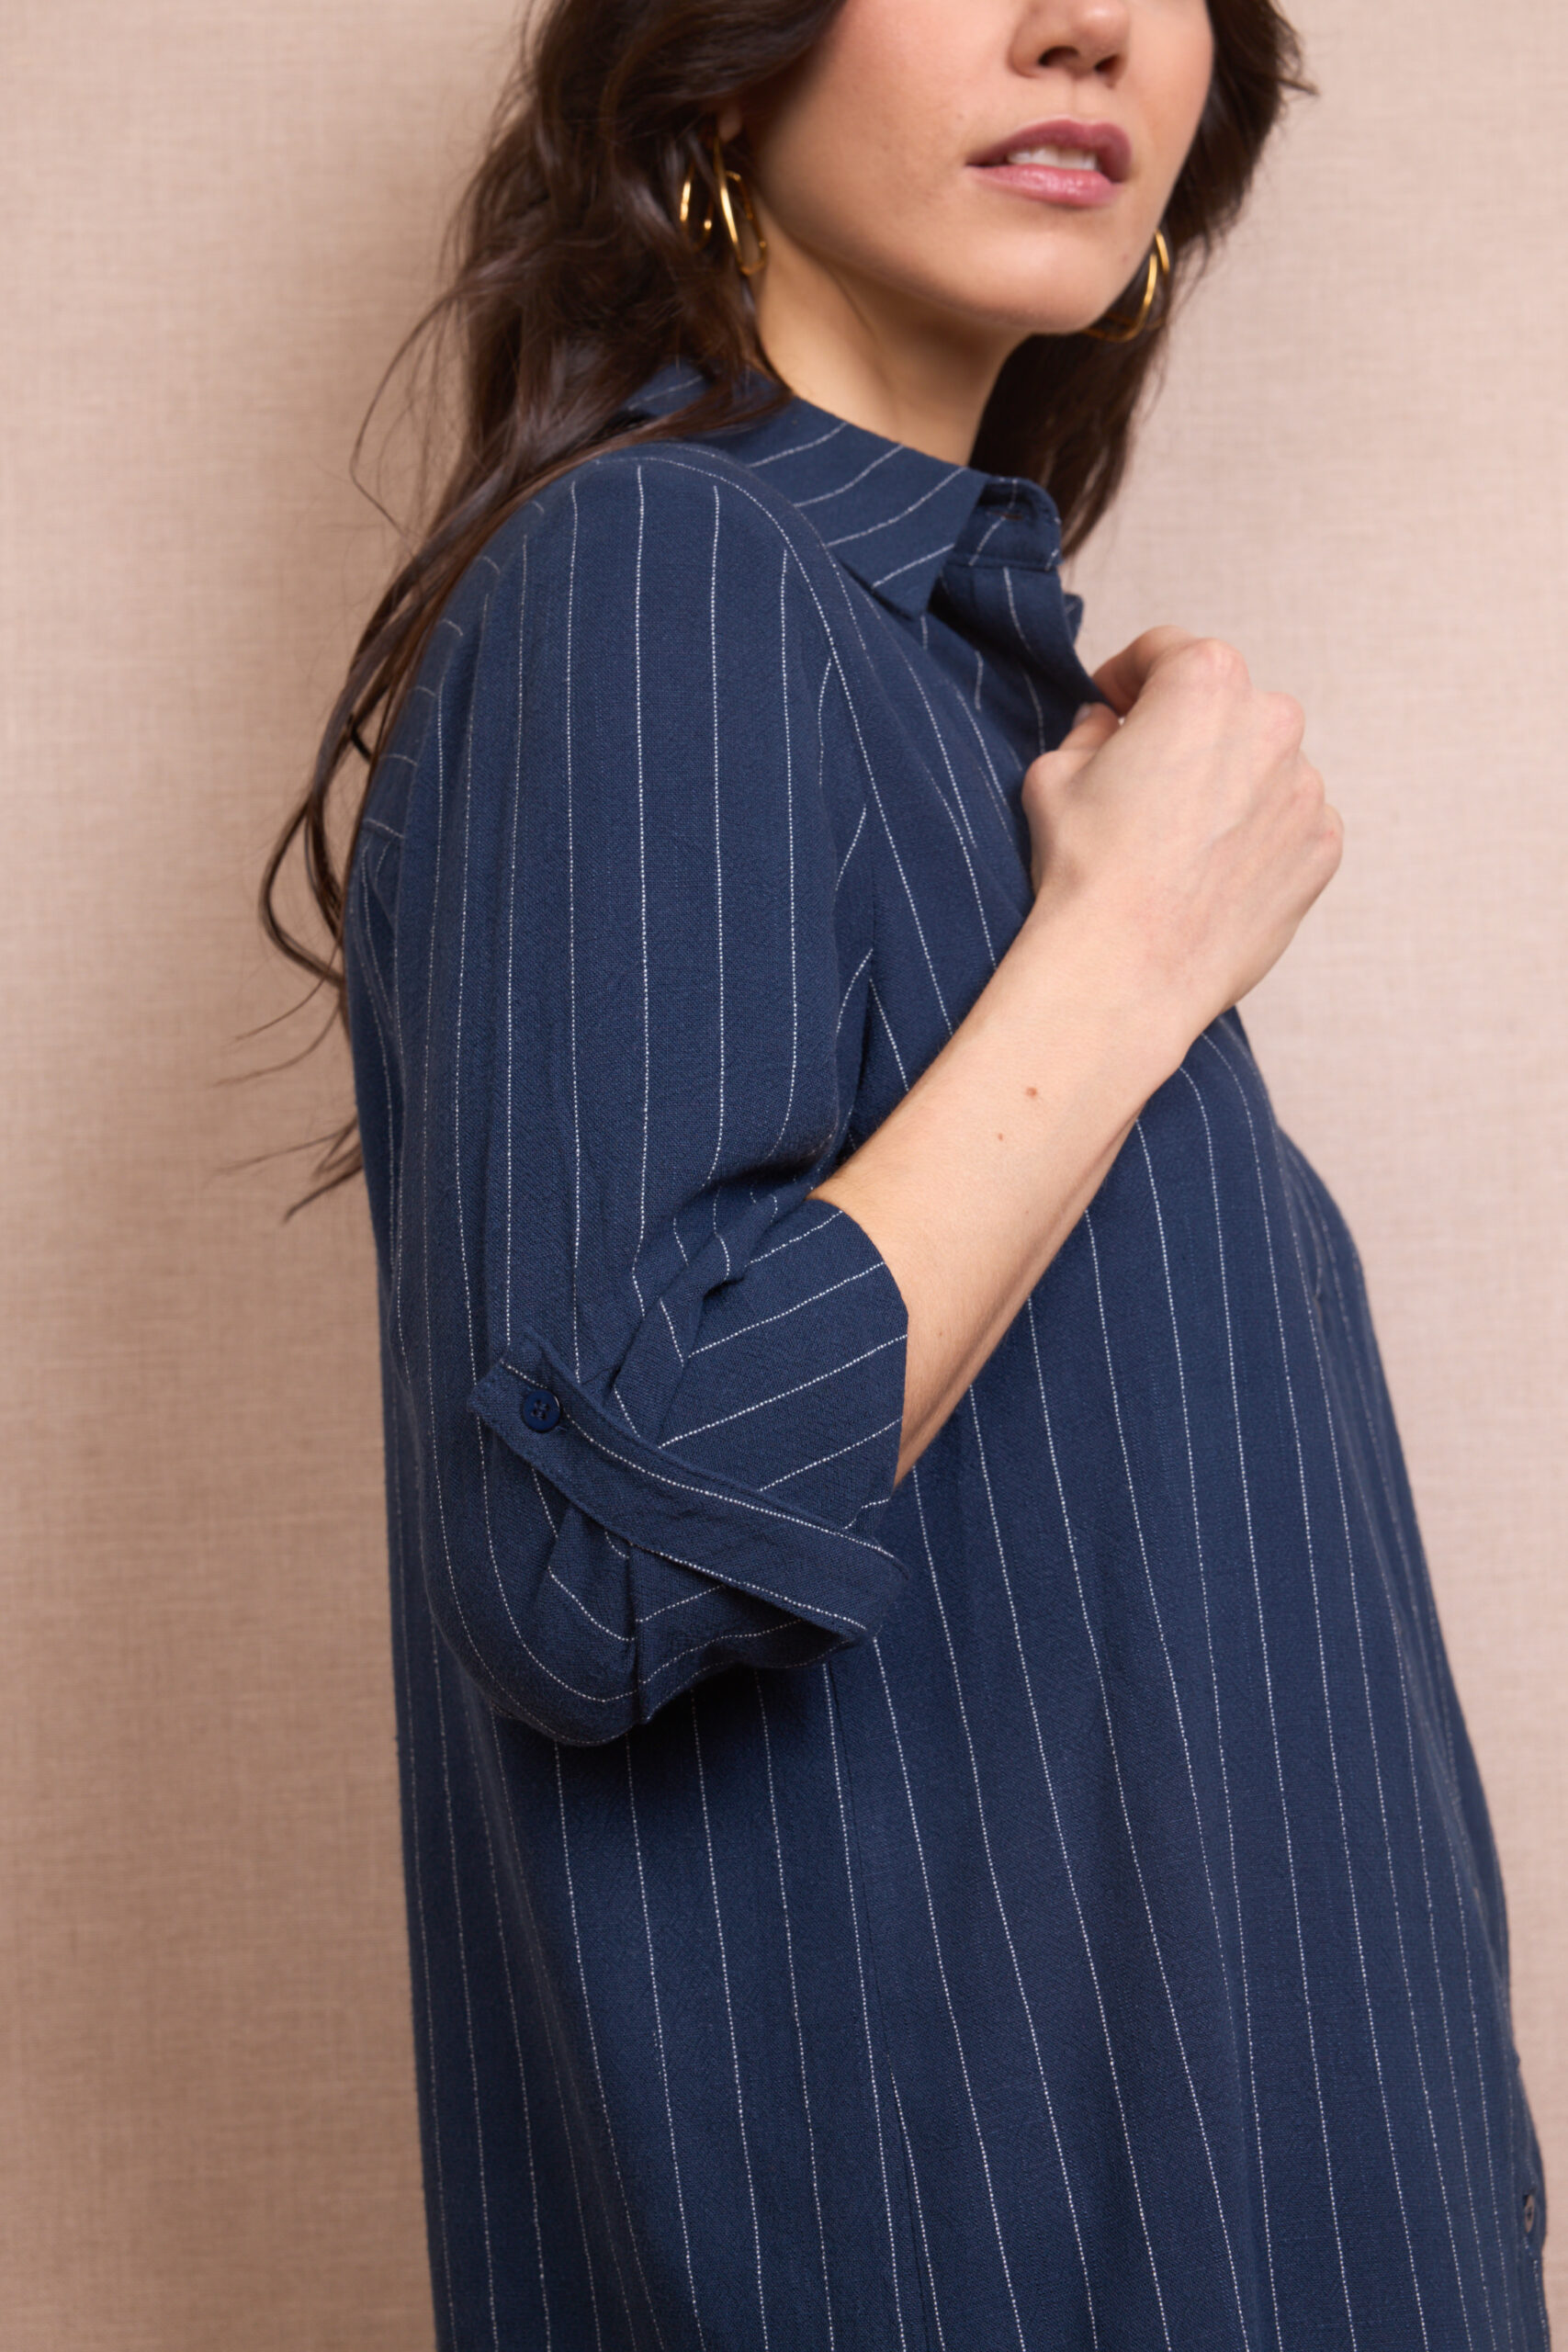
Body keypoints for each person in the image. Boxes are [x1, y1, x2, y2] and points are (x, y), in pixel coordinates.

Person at [265, 0, 1550, 2343]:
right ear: (712, 61)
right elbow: (587, 1563)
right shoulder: (664, 574)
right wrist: (1129, 953)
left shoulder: (963, 701)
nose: (1085, 25)